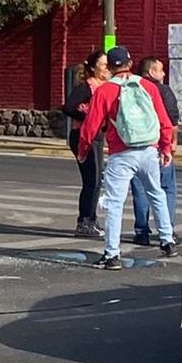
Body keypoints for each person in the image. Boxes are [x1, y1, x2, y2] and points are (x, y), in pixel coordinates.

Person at [77, 46, 176, 270]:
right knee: (156, 193)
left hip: (121, 153)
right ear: (130, 64)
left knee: (115, 203)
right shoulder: (148, 87)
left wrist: (83, 150)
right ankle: (167, 241)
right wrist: (166, 146)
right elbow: (163, 119)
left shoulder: (105, 91)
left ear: (110, 67)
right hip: (149, 150)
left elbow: (91, 125)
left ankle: (112, 255)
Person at [131, 55, 179, 245]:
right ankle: (166, 229)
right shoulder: (162, 91)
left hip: (136, 145)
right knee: (166, 188)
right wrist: (172, 142)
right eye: (160, 69)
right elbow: (172, 119)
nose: (164, 73)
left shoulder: (132, 89)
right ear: (151, 72)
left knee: (141, 189)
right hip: (160, 145)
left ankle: (141, 231)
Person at [62, 49, 109, 237]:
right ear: (93, 67)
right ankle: (84, 222)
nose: (108, 69)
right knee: (91, 179)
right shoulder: (87, 87)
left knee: (97, 180)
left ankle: (91, 218)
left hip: (96, 136)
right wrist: (88, 118)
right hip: (82, 135)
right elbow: (68, 107)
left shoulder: (105, 86)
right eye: (104, 65)